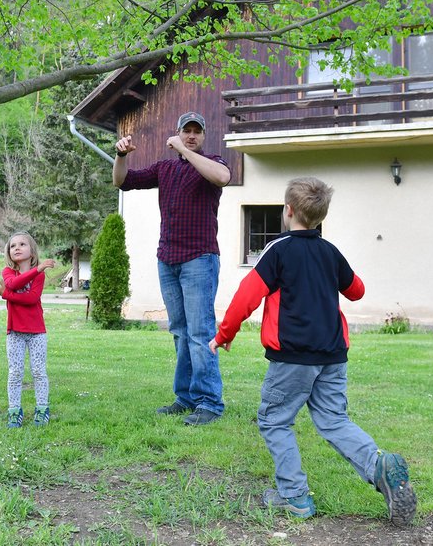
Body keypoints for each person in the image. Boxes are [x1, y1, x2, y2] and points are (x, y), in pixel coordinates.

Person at [208, 177, 417, 525]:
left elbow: (247, 295)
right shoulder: (330, 252)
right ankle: (378, 465)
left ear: (288, 211)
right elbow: (357, 291)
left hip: (293, 357)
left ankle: (293, 497)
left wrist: (224, 334)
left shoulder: (278, 250)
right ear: (321, 216)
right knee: (334, 420)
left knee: (274, 420)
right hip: (333, 356)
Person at [113, 111, 230, 426]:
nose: (191, 136)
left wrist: (185, 150)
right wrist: (120, 155)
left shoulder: (212, 163)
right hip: (168, 259)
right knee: (180, 332)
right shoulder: (164, 169)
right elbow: (122, 181)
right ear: (178, 131)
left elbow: (222, 178)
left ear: (202, 137)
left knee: (201, 332)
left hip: (199, 260)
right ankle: (186, 398)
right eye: (186, 131)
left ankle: (209, 403)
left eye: (196, 132)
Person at [0, 231, 56, 428]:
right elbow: (12, 284)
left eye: (22, 244)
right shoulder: (8, 272)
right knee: (15, 372)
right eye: (13, 246)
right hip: (14, 333)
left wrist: (6, 295)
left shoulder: (39, 275)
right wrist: (7, 290)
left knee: (38, 371)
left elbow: (31, 299)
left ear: (32, 250)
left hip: (37, 332)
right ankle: (14, 411)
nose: (17, 248)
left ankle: (42, 409)